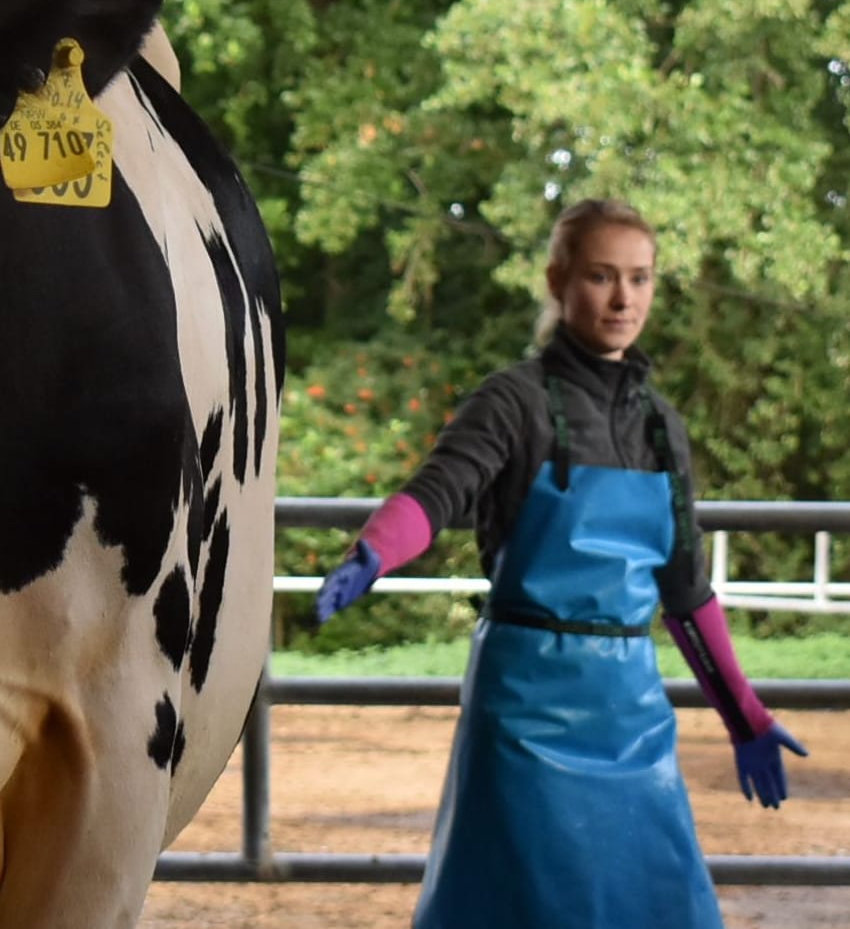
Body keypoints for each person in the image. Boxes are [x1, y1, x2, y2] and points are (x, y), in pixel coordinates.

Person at [313, 198, 807, 929]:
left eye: (639, 279)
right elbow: (438, 491)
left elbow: (685, 588)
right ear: (558, 279)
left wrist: (746, 714)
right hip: (523, 710)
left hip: (631, 710)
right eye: (602, 276)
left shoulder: (660, 425)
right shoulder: (512, 400)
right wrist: (374, 550)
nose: (622, 298)